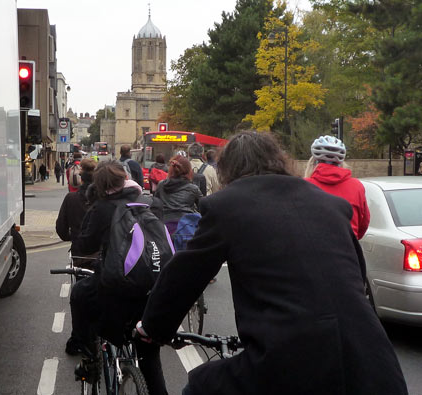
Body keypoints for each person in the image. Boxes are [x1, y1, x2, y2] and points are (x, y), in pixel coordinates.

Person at [137, 131, 407, 395]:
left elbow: (185, 275)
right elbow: (356, 276)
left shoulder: (227, 205)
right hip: (372, 361)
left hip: (292, 360)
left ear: (228, 170)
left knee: (199, 386)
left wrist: (153, 327)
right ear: (278, 160)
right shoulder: (330, 205)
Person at [70, 161, 168, 395]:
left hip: (116, 291)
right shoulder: (149, 202)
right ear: (125, 179)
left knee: (80, 294)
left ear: (100, 186)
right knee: (149, 355)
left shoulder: (102, 208)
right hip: (152, 289)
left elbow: (84, 245)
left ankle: (87, 354)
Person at [304, 135, 370, 240]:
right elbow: (363, 224)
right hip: (348, 251)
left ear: (313, 162)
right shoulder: (356, 186)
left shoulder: (304, 186)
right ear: (341, 163)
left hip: (312, 250)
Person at [56, 158, 97, 261]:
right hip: (99, 255)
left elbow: (61, 228)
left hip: (79, 253)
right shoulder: (103, 198)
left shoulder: (70, 198)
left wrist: (73, 237)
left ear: (81, 179)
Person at [154, 155, 202, 234]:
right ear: (189, 170)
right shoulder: (193, 188)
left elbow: (156, 205)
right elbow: (203, 207)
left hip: (165, 227)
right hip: (186, 228)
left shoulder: (161, 185)